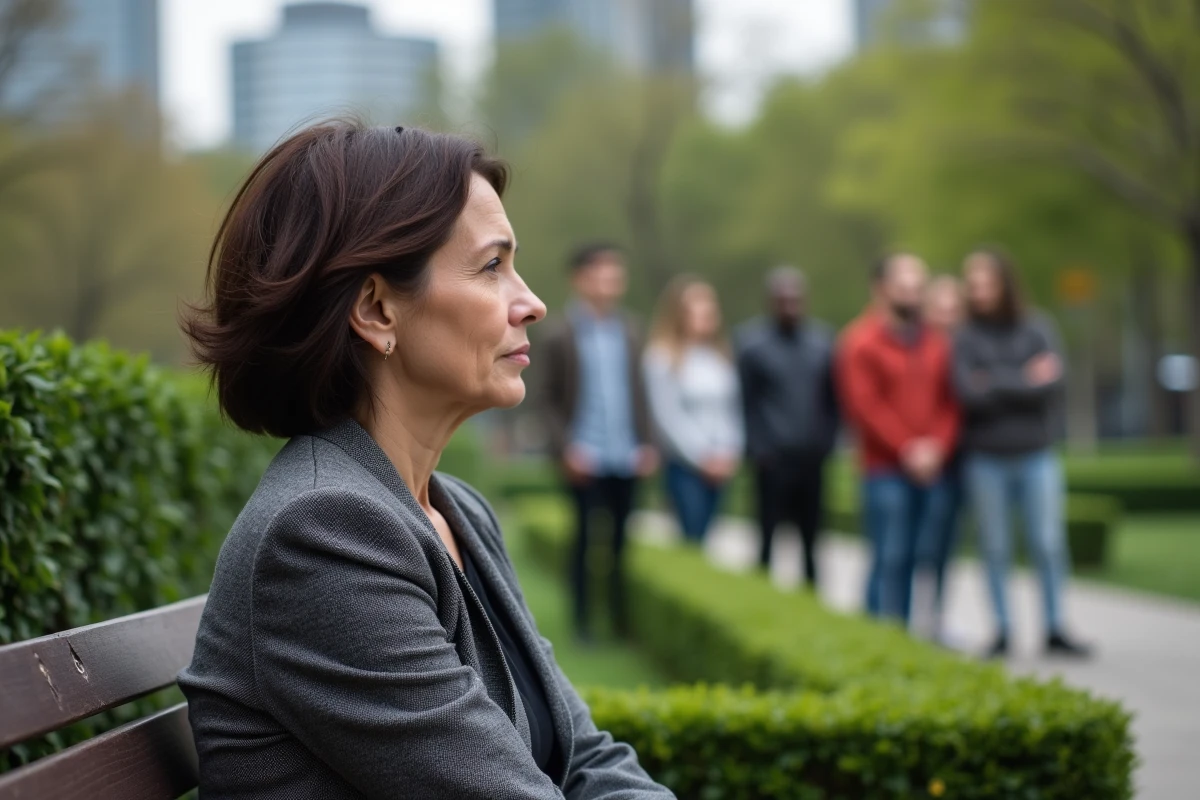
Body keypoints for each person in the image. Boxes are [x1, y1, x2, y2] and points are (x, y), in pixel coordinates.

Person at [177, 122, 673, 798]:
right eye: (493, 266)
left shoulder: (458, 510)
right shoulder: (322, 537)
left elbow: (586, 756)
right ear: (377, 309)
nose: (531, 303)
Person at [955, 249, 1091, 659]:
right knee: (994, 546)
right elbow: (967, 394)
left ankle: (1054, 626)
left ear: (1005, 283)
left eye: (986, 283)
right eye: (972, 284)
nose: (979, 292)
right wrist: (1022, 379)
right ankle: (1002, 629)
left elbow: (1049, 385)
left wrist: (993, 381)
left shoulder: (1038, 329)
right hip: (986, 458)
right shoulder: (965, 337)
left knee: (1047, 542)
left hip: (1036, 454)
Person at [539, 243, 657, 643]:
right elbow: (545, 400)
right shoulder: (558, 334)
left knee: (623, 545)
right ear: (580, 279)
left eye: (615, 275)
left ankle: (622, 622)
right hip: (583, 457)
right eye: (601, 274)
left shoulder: (632, 330)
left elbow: (642, 394)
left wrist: (649, 444)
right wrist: (565, 449)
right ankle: (583, 623)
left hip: (626, 455)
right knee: (585, 542)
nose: (610, 283)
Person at [838, 254, 959, 623]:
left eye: (918, 287)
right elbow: (864, 406)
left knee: (919, 557)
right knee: (888, 554)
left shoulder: (936, 342)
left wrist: (936, 447)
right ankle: (876, 632)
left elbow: (950, 402)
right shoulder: (860, 342)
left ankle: (905, 632)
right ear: (881, 289)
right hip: (884, 469)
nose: (913, 294)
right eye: (904, 286)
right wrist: (907, 448)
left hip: (931, 467)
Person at [736, 267, 838, 587]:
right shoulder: (752, 345)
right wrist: (757, 448)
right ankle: (762, 593)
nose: (790, 306)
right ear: (771, 301)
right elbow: (745, 403)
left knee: (812, 538)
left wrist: (827, 443)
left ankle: (812, 593)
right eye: (783, 299)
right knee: (767, 536)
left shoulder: (822, 343)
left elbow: (833, 401)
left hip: (811, 456)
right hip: (772, 458)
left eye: (795, 299)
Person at [643, 275, 743, 544]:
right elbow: (667, 417)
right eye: (695, 309)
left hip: (721, 463)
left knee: (710, 537)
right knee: (691, 538)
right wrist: (703, 458)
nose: (704, 315)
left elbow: (731, 411)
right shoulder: (662, 357)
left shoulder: (720, 357)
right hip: (686, 466)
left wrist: (730, 451)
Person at [914, 275, 966, 642]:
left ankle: (936, 620)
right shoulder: (920, 349)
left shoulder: (966, 347)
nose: (946, 317)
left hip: (955, 461)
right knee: (917, 547)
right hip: (921, 462)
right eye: (939, 309)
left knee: (947, 548)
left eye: (953, 309)